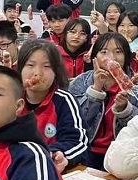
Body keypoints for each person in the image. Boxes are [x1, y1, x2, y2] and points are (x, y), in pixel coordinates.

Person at [69, 32, 138, 170]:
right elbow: (76, 121)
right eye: (104, 52)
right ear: (95, 56)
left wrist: (125, 109)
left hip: (122, 154)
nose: (111, 57)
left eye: (118, 52)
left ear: (126, 56)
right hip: (85, 150)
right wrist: (96, 89)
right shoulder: (81, 82)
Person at [17, 40, 88, 170]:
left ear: (56, 72)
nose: (37, 73)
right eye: (30, 65)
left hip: (50, 167)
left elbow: (77, 141)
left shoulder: (64, 100)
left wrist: (60, 153)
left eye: (46, 66)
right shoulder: (10, 100)